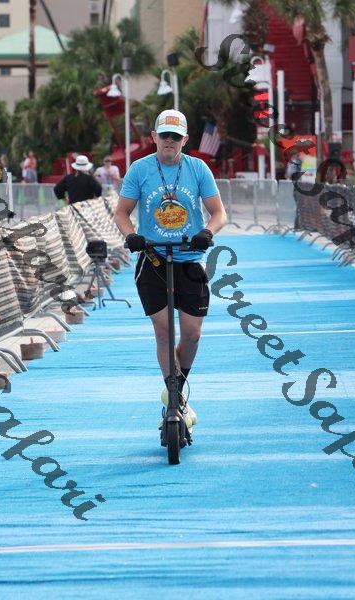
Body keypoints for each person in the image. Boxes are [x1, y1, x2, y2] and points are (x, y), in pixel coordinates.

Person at [114, 109, 227, 430]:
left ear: (184, 140)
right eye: (164, 135)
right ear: (154, 137)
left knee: (191, 334)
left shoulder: (198, 169)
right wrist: (131, 236)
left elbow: (219, 213)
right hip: (153, 260)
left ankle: (174, 389)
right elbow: (122, 213)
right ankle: (176, 397)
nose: (169, 141)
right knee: (164, 332)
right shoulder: (139, 169)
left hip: (189, 260)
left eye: (175, 137)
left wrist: (207, 232)